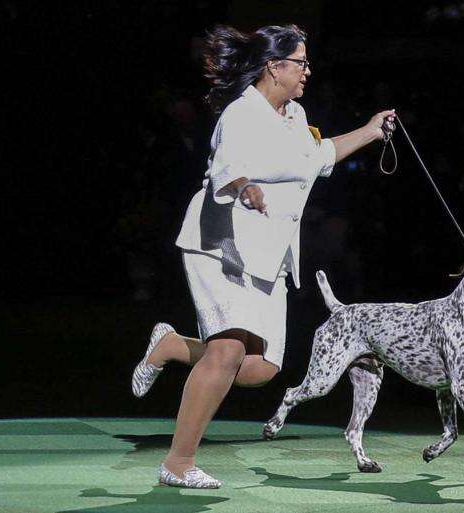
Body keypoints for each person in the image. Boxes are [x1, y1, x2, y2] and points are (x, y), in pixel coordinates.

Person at [130, 24, 396, 489]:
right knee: (228, 350)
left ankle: (172, 345)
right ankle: (178, 462)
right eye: (300, 63)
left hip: (270, 254)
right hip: (222, 243)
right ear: (274, 66)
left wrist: (371, 132)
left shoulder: (295, 115)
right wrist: (245, 187)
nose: (307, 71)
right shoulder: (241, 114)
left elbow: (320, 157)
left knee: (260, 370)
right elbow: (226, 169)